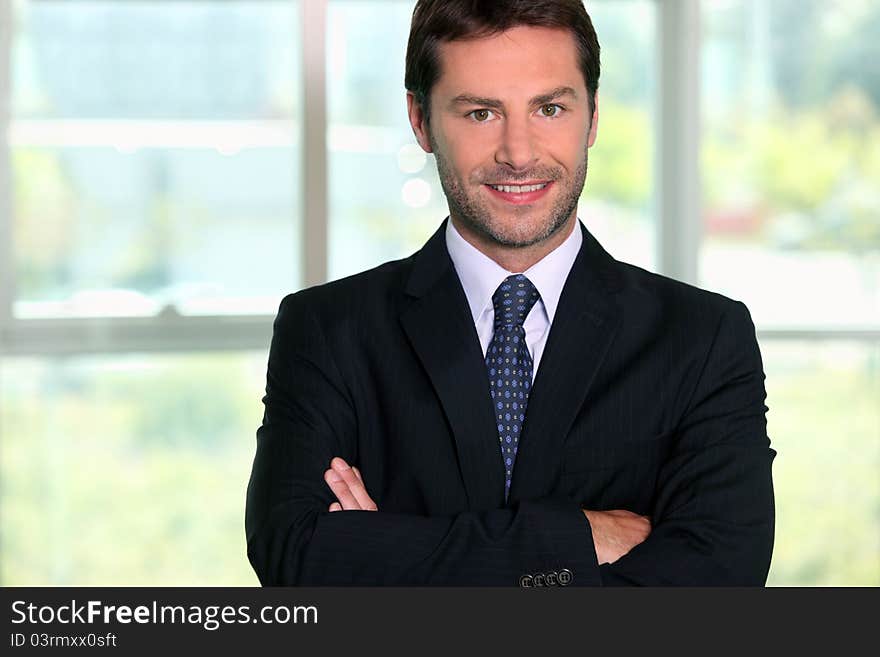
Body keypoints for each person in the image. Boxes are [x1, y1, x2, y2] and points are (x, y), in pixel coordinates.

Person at [245, 0, 776, 586]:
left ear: (592, 117)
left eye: (550, 108)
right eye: (479, 113)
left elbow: (720, 582)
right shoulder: (327, 331)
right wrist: (575, 539)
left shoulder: (702, 339)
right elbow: (296, 557)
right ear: (420, 121)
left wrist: (391, 558)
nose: (518, 153)